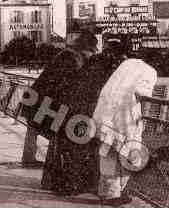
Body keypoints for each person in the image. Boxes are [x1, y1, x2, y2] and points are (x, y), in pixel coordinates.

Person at [46, 39, 128, 195]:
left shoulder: (93, 60)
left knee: (71, 148)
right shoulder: (110, 65)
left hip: (70, 109)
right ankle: (77, 185)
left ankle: (67, 185)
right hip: (84, 110)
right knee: (82, 149)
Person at [21, 30, 98, 171]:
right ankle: (40, 162)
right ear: (86, 49)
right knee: (55, 132)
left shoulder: (66, 54)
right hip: (45, 102)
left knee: (34, 127)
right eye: (91, 52)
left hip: (37, 98)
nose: (92, 55)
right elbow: (69, 85)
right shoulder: (74, 59)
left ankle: (29, 159)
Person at [93, 57, 157, 206]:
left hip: (105, 112)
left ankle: (106, 192)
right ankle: (115, 193)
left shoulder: (127, 63)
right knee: (129, 153)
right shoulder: (150, 71)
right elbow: (143, 93)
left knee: (107, 152)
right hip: (124, 116)